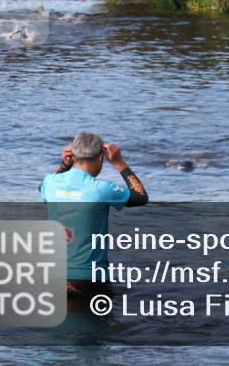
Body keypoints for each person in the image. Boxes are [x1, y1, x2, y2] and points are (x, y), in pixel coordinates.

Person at [40, 132, 148, 310]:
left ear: (72, 156)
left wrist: (64, 166)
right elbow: (141, 197)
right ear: (100, 158)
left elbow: (42, 188)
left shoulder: (51, 182)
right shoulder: (102, 189)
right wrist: (119, 163)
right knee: (94, 333)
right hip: (89, 279)